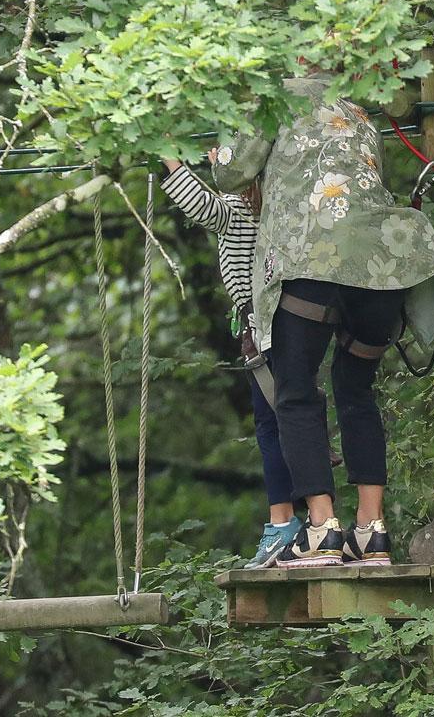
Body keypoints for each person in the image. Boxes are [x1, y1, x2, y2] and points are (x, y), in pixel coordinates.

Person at [213, 74, 434, 567]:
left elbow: (231, 175)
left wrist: (222, 134)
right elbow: (406, 98)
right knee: (356, 388)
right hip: (378, 265)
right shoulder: (362, 98)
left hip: (310, 263)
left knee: (295, 392)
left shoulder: (273, 96)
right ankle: (371, 531)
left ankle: (321, 529)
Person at [159, 153, 307, 569]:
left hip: (261, 323)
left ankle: (284, 521)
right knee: (293, 415)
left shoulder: (241, 204)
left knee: (272, 423)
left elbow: (205, 208)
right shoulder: (283, 202)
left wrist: (172, 164)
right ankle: (309, 519)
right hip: (291, 317)